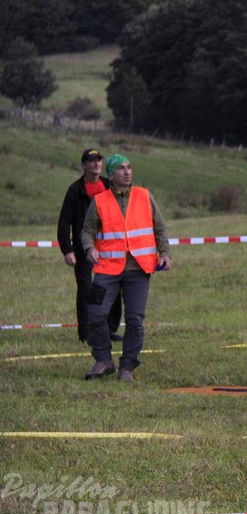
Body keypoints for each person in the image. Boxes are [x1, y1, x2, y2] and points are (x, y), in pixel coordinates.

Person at [80, 154, 172, 381]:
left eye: (129, 167)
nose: (127, 172)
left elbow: (159, 228)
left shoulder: (144, 196)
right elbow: (87, 231)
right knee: (94, 314)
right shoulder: (100, 201)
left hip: (138, 269)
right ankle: (103, 360)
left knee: (134, 320)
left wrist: (165, 253)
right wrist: (89, 248)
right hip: (107, 269)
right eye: (121, 168)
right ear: (111, 175)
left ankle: (127, 367)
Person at [57, 149, 123, 343]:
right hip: (83, 248)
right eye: (92, 161)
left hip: (109, 246)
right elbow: (64, 222)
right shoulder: (75, 190)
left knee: (113, 288)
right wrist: (67, 249)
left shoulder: (108, 185)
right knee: (85, 289)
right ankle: (85, 333)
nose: (96, 164)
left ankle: (110, 329)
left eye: (99, 161)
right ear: (84, 165)